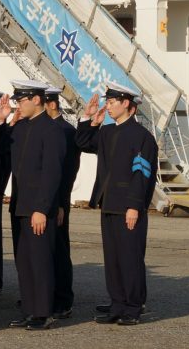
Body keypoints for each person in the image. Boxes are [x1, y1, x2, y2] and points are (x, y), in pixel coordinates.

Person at [76, 82, 158, 326]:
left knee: (130, 257)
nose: (108, 106)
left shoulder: (142, 137)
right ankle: (117, 304)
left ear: (127, 105)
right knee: (112, 258)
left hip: (128, 207)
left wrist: (134, 205)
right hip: (108, 203)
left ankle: (133, 306)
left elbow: (142, 174)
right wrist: (89, 119)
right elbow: (81, 142)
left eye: (112, 102)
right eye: (107, 101)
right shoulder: (107, 132)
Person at [0, 80, 65, 331]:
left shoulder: (52, 130)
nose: (18, 105)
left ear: (36, 100)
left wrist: (43, 208)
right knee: (24, 260)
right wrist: (2, 122)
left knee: (40, 261)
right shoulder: (19, 128)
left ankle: (43, 312)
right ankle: (29, 309)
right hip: (20, 205)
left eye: (21, 100)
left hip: (38, 208)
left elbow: (52, 173)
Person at [45, 87, 81, 319]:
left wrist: (60, 202)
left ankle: (63, 299)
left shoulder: (67, 131)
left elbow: (67, 172)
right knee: (43, 251)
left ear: (51, 104)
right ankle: (44, 295)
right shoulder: (42, 129)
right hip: (44, 199)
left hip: (58, 200)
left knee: (58, 249)